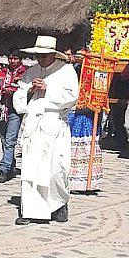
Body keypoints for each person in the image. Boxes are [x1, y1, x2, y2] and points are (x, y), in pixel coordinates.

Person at [13, 36, 79, 225]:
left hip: (54, 123)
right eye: (38, 55)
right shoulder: (31, 71)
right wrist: (29, 91)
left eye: (44, 55)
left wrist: (48, 88)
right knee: (30, 169)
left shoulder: (66, 71)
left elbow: (72, 96)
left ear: (53, 54)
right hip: (34, 125)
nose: (41, 59)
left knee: (55, 169)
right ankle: (30, 210)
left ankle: (58, 204)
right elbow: (20, 95)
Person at [0, 48, 27, 183]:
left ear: (20, 60)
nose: (12, 61)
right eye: (11, 58)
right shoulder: (2, 72)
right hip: (2, 108)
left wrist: (15, 89)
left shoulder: (25, 73)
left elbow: (26, 88)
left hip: (14, 109)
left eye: (15, 58)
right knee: (3, 138)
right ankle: (11, 163)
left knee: (10, 139)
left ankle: (4, 168)